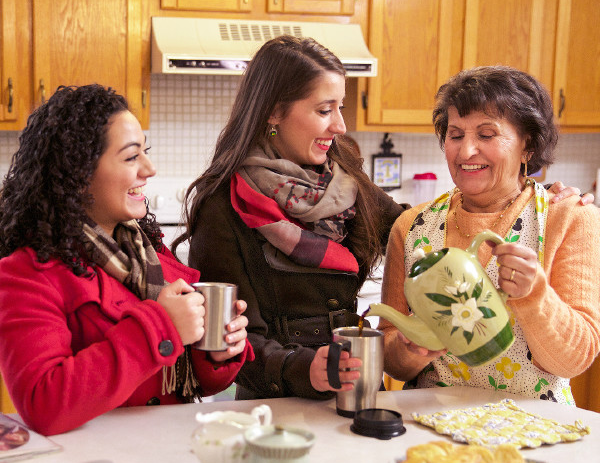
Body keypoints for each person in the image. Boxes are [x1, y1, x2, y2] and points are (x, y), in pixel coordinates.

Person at [175, 37, 587, 402]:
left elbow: (417, 225)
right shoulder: (223, 204)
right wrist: (306, 369)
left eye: (340, 107)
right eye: (324, 110)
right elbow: (225, 342)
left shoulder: (346, 181)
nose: (341, 125)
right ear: (273, 113)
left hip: (353, 394)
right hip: (273, 403)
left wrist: (537, 195)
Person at [0, 84, 253, 436]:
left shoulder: (148, 252)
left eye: (145, 152)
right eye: (132, 157)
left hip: (167, 453)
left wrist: (216, 352)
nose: (149, 168)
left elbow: (179, 382)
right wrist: (163, 326)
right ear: (79, 172)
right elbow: (44, 404)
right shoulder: (26, 274)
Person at [379, 65, 600, 404]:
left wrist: (533, 294)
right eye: (455, 135)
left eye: (486, 135)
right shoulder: (412, 227)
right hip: (433, 427)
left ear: (527, 145)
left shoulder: (569, 217)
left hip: (535, 432)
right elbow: (392, 360)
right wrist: (413, 350)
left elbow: (574, 359)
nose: (466, 152)